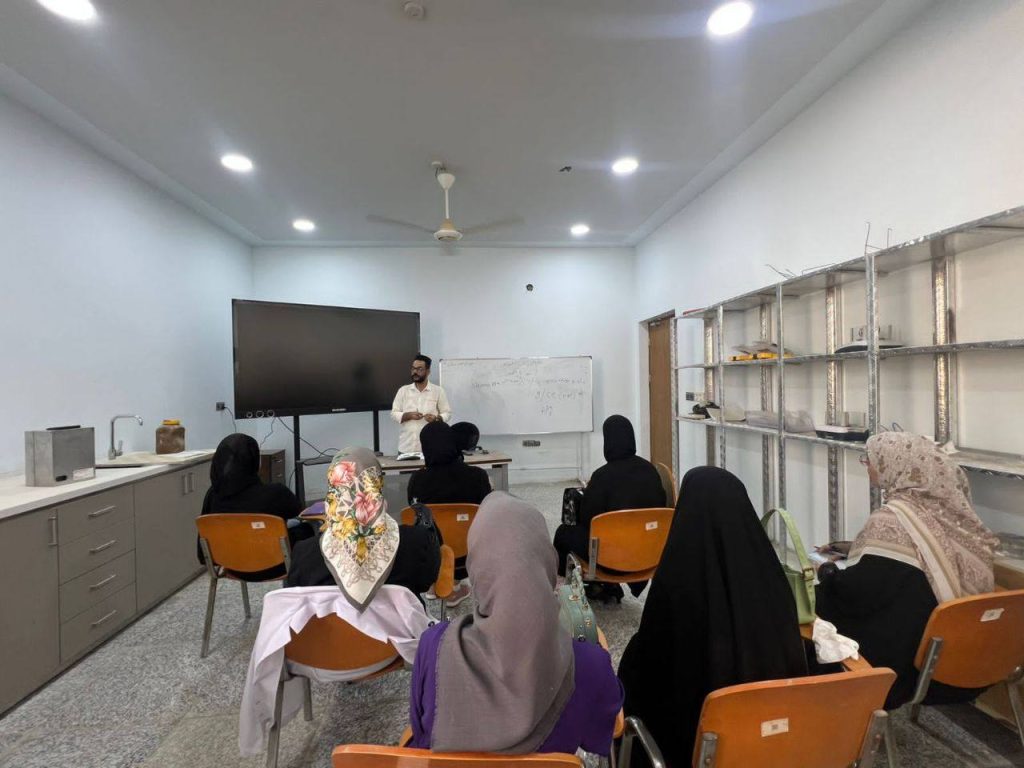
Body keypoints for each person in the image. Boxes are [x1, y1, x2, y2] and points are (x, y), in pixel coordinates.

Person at [617, 466, 808, 767]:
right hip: (772, 743)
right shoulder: (772, 579)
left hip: (696, 747)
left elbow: (652, 665)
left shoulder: (676, 584)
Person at [408, 492, 623, 756]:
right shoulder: (589, 666)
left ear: (477, 570)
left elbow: (422, 736)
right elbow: (607, 730)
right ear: (547, 561)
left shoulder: (433, 647)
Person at [815, 432, 998, 708]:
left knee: (813, 612)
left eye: (871, 459)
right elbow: (926, 559)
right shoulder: (963, 521)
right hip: (973, 659)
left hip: (910, 668)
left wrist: (827, 573)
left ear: (896, 465)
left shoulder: (891, 519)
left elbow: (856, 593)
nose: (867, 466)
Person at [286, 447, 442, 601]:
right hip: (400, 619)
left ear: (333, 488)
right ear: (377, 484)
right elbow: (425, 582)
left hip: (332, 620)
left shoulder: (303, 555)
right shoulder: (417, 542)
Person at [552, 414, 666, 601]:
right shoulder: (650, 470)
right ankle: (607, 585)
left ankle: (585, 585)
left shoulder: (602, 476)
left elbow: (588, 520)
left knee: (564, 532)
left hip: (609, 558)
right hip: (647, 554)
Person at [198, 433, 312, 580]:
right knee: (308, 529)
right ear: (255, 461)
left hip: (231, 566)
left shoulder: (212, 496)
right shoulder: (276, 493)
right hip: (277, 566)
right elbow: (301, 512)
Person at [406, 421, 490, 606]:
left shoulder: (417, 479)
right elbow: (487, 511)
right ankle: (454, 584)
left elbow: (414, 512)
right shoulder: (477, 476)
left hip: (430, 554)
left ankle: (435, 582)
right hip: (467, 554)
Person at [391, 354, 452, 455]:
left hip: (431, 447)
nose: (415, 372)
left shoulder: (438, 391)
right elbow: (394, 413)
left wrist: (436, 419)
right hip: (407, 447)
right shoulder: (403, 391)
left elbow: (447, 413)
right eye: (413, 368)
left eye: (419, 369)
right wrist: (408, 415)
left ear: (428, 372)